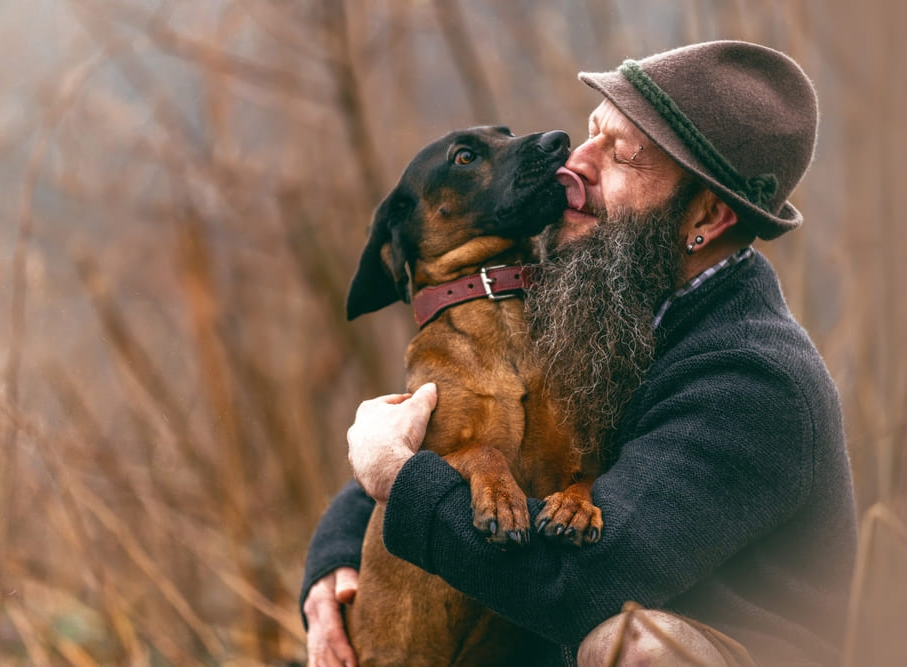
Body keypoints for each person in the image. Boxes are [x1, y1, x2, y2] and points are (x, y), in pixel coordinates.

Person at [301, 40, 857, 666]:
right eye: (593, 134)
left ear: (706, 214)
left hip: (709, 650)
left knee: (631, 645)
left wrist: (397, 481)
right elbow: (452, 435)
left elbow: (584, 584)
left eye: (621, 155)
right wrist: (334, 562)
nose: (574, 163)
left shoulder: (753, 381)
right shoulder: (610, 300)